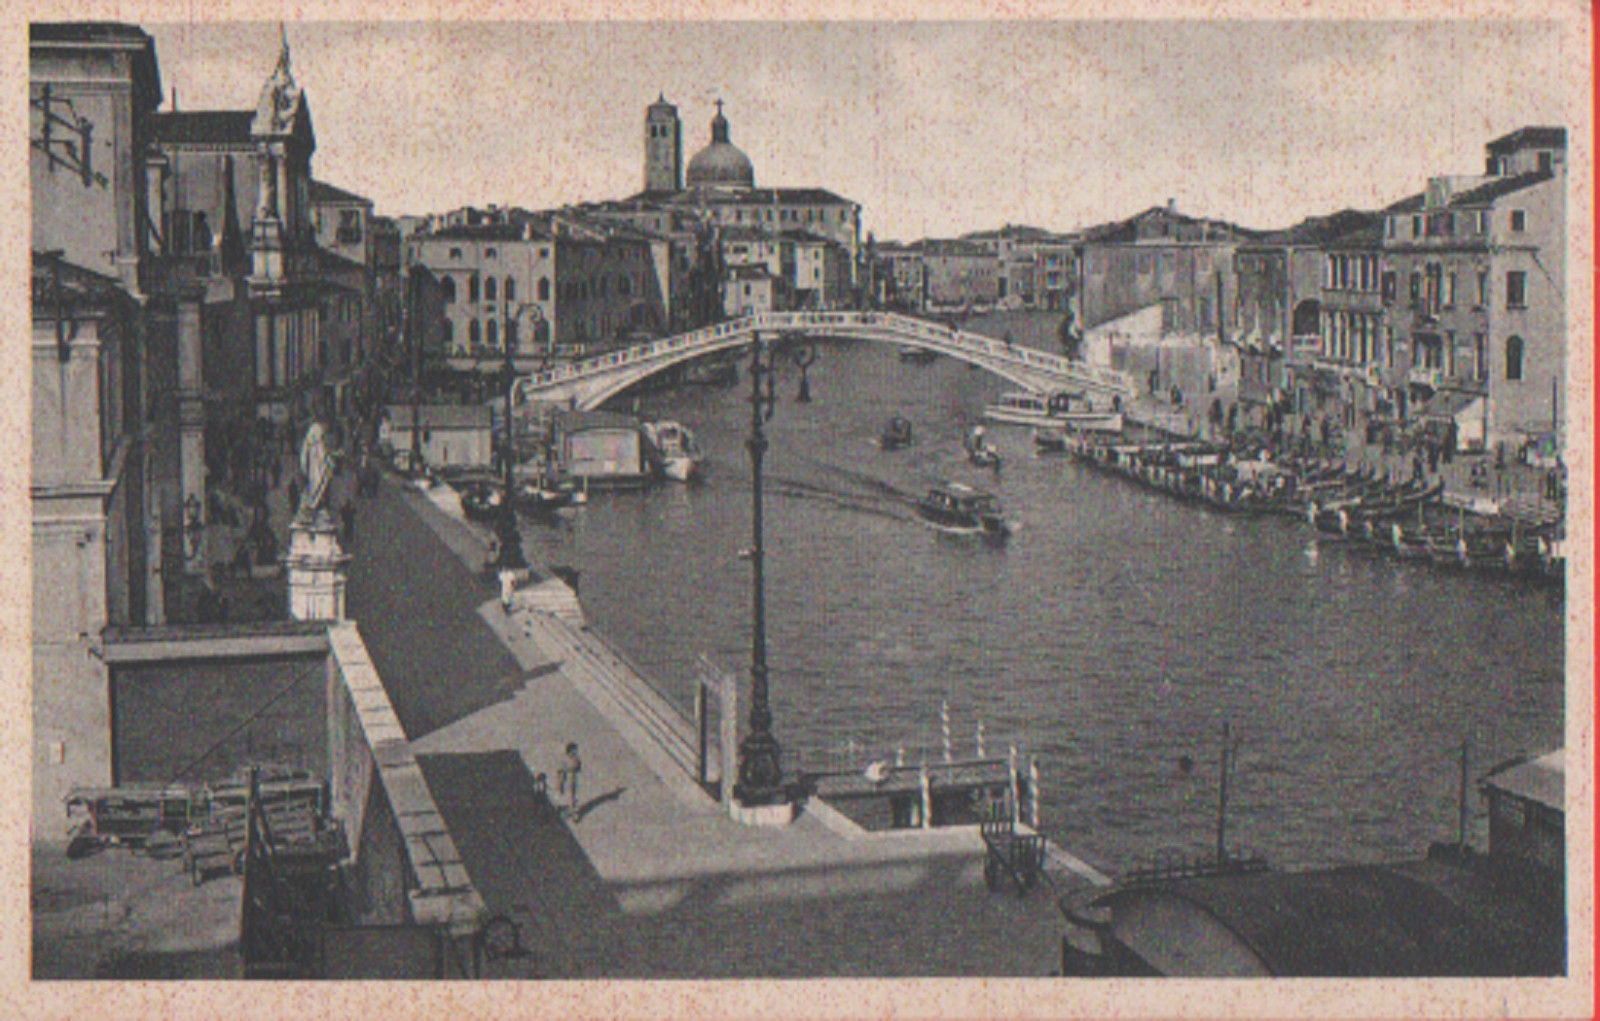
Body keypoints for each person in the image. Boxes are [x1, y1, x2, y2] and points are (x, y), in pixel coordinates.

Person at [557, 742, 582, 818]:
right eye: (573, 751)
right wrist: (561, 783)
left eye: (575, 751)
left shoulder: (576, 759)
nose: (574, 753)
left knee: (572, 797)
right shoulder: (566, 761)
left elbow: (578, 767)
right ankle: (567, 811)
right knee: (566, 797)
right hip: (567, 781)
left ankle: (574, 812)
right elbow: (561, 771)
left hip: (573, 781)